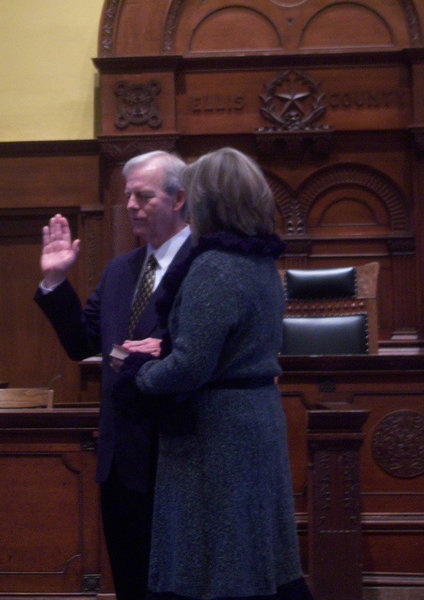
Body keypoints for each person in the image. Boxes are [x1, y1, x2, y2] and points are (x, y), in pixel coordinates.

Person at [117, 147, 312, 600]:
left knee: (214, 566)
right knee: (254, 553)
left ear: (207, 201)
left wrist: (138, 373)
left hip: (216, 433)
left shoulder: (214, 266)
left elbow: (191, 367)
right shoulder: (260, 262)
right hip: (255, 419)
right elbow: (228, 344)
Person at [34, 150, 192, 600]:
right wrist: (55, 283)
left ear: (179, 198)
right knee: (131, 583)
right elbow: (83, 344)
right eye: (128, 195)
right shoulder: (122, 269)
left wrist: (171, 349)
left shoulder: (206, 263)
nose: (132, 205)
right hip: (120, 459)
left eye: (144, 196)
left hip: (177, 453)